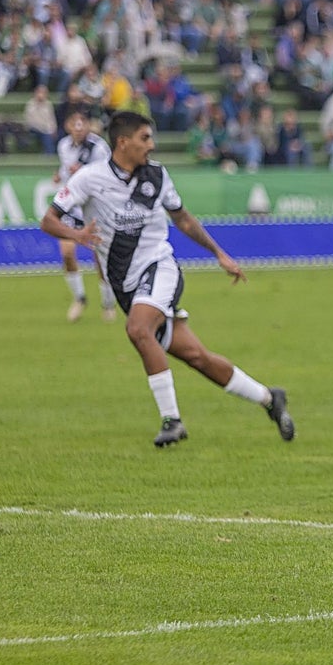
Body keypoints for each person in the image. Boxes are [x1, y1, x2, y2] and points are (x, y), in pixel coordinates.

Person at [40, 111, 295, 447]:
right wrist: (78, 234)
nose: (152, 145)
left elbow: (183, 219)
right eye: (145, 138)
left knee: (137, 329)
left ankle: (172, 421)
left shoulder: (157, 175)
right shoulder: (89, 178)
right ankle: (269, 398)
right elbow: (48, 220)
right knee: (197, 357)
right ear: (123, 142)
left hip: (159, 268)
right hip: (126, 285)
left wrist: (219, 253)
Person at [53, 109, 118, 322]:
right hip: (72, 205)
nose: (78, 127)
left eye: (82, 122)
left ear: (88, 125)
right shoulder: (63, 146)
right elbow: (65, 172)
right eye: (74, 122)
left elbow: (107, 175)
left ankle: (108, 303)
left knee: (99, 257)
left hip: (94, 206)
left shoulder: (98, 148)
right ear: (68, 126)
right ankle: (79, 298)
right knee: (67, 252)